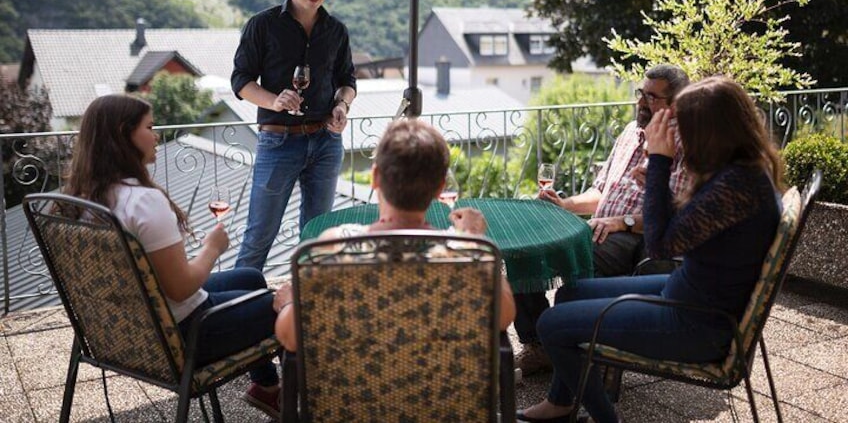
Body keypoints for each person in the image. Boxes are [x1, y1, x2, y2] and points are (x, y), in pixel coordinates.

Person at [517, 76, 784, 423]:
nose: (677, 134)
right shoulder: (739, 174)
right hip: (688, 292)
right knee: (569, 294)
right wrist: (659, 171)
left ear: (709, 131)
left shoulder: (736, 186)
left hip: (697, 322)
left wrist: (659, 162)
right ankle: (561, 403)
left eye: (682, 126)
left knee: (552, 324)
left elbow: (659, 244)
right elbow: (685, 224)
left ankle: (604, 418)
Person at [62, 95, 282, 420]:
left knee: (249, 278)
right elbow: (181, 289)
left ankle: (266, 389)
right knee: (284, 304)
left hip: (127, 330)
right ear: (125, 134)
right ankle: (300, 400)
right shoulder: (143, 203)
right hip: (185, 334)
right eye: (149, 127)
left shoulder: (76, 202)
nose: (157, 135)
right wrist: (212, 248)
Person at [273, 119, 517, 352]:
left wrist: (288, 304)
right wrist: (474, 239)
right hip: (440, 394)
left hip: (355, 395)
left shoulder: (334, 247)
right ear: (441, 187)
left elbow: (290, 337)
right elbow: (504, 316)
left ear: (375, 177)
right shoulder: (464, 255)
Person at [514, 64, 690, 376]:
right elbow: (601, 190)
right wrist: (565, 204)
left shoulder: (685, 145)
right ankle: (538, 344)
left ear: (674, 104)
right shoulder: (629, 132)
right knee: (524, 248)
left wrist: (622, 221)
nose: (640, 102)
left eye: (651, 97)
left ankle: (576, 341)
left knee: (575, 261)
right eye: (640, 94)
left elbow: (675, 210)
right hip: (601, 226)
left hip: (635, 236)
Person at [231, 0, 357, 272]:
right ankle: (235, 313)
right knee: (259, 237)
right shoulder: (262, 25)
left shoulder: (337, 31)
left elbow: (347, 81)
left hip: (327, 143)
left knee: (317, 240)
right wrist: (273, 101)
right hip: (278, 142)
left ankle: (307, 310)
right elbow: (241, 80)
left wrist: (342, 105)